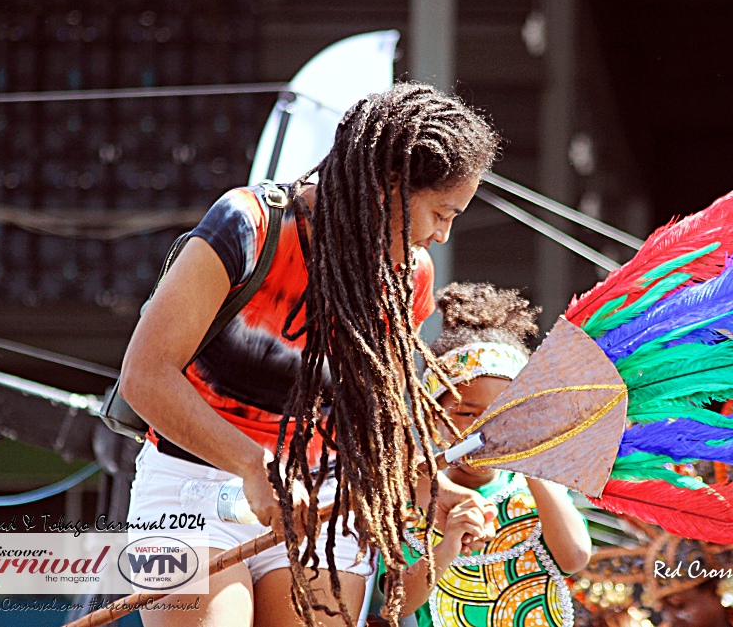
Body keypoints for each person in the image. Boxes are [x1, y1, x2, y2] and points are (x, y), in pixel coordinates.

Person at [119, 82, 501, 627]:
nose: (442, 235)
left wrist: (425, 489)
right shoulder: (249, 223)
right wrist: (253, 465)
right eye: (442, 213)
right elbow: (144, 376)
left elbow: (375, 420)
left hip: (321, 506)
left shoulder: (410, 276)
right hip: (191, 488)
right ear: (389, 185)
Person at [374, 282, 592, 627]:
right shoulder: (413, 495)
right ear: (433, 420)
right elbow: (396, 606)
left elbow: (575, 557)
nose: (485, 428)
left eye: (504, 414)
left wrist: (529, 462)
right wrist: (447, 547)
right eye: (467, 413)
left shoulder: (536, 487)